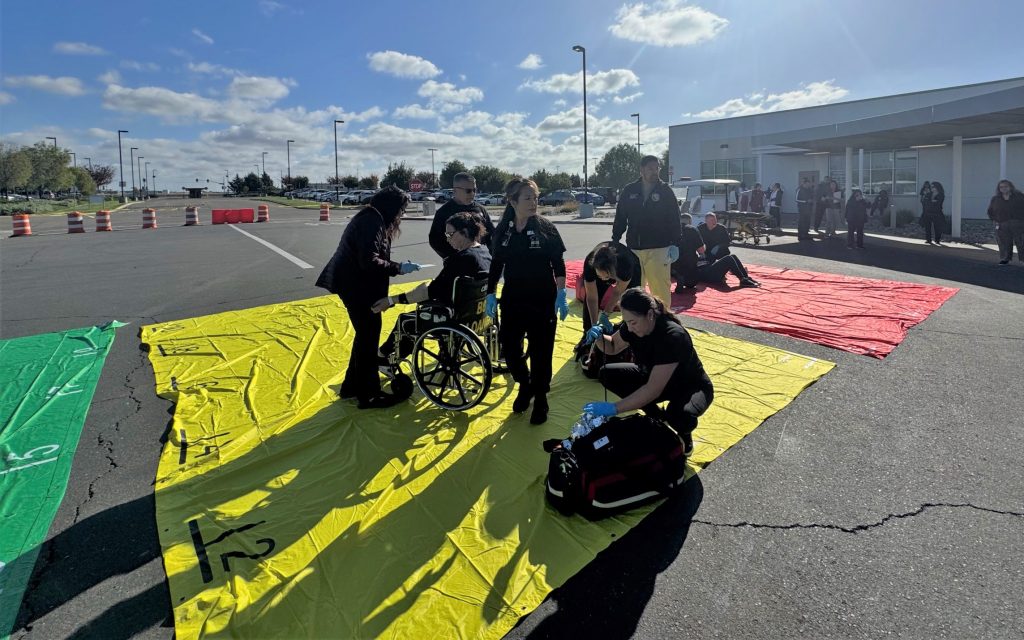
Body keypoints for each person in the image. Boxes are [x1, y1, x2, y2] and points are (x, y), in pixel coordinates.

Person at [316, 186, 421, 409]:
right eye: (401, 210)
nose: (402, 215)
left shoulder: (373, 218)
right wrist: (398, 268)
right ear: (391, 207)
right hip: (355, 286)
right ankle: (369, 394)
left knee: (365, 336)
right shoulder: (370, 221)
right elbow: (369, 260)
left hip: (357, 285)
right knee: (368, 338)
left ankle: (351, 386)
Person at [581, 287, 714, 456]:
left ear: (650, 315)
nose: (629, 328)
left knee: (680, 415)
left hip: (689, 386)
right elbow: (613, 347)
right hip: (654, 378)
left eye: (633, 322)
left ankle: (684, 434)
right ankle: (658, 418)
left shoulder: (672, 336)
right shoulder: (633, 327)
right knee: (607, 374)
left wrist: (615, 408)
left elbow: (652, 390)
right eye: (626, 322)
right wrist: (599, 336)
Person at [487, 177, 568, 424]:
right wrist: (490, 293)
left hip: (543, 299)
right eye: (528, 198)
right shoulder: (503, 231)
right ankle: (525, 384)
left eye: (535, 197)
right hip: (513, 299)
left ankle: (541, 396)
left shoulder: (546, 228)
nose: (534, 203)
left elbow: (559, 264)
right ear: (512, 201)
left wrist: (561, 294)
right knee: (510, 350)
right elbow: (497, 263)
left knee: (542, 352)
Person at [373, 211, 492, 360]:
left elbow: (431, 291)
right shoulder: (485, 252)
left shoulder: (460, 259)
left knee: (406, 320)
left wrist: (392, 300)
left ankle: (383, 356)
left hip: (455, 318)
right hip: (479, 316)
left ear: (465, 232)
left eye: (450, 234)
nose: (447, 239)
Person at [612, 155, 682, 307]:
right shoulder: (630, 190)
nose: (655, 171)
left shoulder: (665, 191)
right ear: (642, 170)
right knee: (635, 291)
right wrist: (615, 240)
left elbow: (675, 218)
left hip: (659, 249)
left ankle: (663, 322)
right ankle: (635, 323)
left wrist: (676, 243)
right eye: (651, 168)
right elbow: (621, 217)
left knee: (660, 291)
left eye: (657, 168)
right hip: (634, 250)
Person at [674, 213, 760, 288]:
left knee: (731, 256)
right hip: (701, 271)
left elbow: (727, 242)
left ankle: (745, 277)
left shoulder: (676, 233)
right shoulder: (694, 230)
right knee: (729, 259)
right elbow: (701, 250)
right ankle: (742, 279)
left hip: (700, 264)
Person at [579, 240, 642, 337]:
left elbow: (617, 292)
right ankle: (587, 334)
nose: (604, 280)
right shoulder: (590, 265)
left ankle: (628, 334)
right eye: (600, 277)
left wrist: (606, 314)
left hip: (630, 266)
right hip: (604, 269)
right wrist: (593, 324)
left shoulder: (625, 265)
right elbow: (592, 298)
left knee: (631, 300)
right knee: (591, 303)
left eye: (606, 277)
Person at [428, 172, 496, 259]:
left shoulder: (480, 209)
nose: (472, 194)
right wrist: (451, 256)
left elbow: (491, 234)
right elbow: (435, 239)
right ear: (455, 191)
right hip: (458, 263)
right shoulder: (444, 212)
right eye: (468, 191)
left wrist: (489, 253)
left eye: (475, 190)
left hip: (481, 259)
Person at [986, 179, 1024, 264]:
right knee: (1004, 242)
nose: (1003, 188)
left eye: (1006, 186)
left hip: (1018, 223)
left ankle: (1022, 259)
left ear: (1010, 187)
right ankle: (1005, 258)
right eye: (1001, 187)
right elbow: (990, 211)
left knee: (1021, 242)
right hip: (1002, 223)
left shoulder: (1019, 196)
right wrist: (994, 220)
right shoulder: (996, 199)